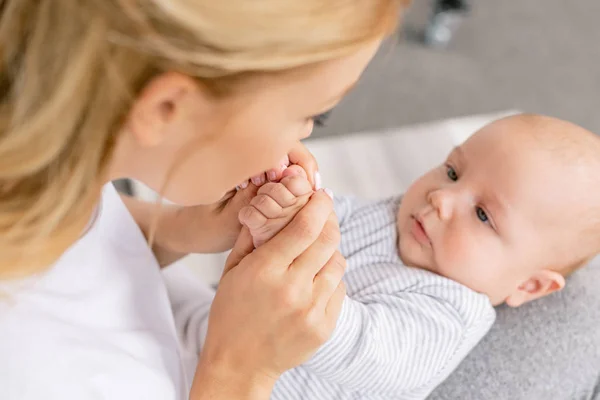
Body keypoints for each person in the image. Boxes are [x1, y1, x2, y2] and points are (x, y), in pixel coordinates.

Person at [0, 1, 410, 399]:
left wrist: (184, 231)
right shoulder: (33, 369)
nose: (303, 138)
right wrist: (242, 368)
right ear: (166, 108)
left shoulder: (48, 154)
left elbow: (77, 237)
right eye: (313, 115)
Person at [234, 114, 600, 399]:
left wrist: (287, 254)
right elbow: (330, 217)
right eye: (453, 172)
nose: (441, 197)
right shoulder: (404, 217)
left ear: (530, 284)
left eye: (483, 215)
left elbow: (359, 348)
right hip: (223, 333)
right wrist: (293, 203)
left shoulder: (449, 315)